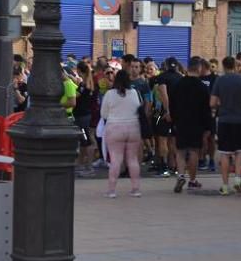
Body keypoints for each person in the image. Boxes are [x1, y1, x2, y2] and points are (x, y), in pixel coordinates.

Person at [210, 56, 241, 195]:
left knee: (225, 153)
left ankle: (225, 185)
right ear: (235, 65)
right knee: (240, 151)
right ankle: (238, 180)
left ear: (223, 66)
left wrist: (222, 103)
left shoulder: (219, 80)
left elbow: (212, 103)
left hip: (224, 120)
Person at [170, 56, 212, 192]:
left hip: (181, 122)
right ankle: (192, 180)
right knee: (194, 151)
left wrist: (174, 120)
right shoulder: (202, 87)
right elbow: (207, 109)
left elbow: (172, 104)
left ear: (188, 67)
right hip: (197, 123)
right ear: (199, 68)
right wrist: (208, 127)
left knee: (180, 151)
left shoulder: (178, 84)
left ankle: (181, 175)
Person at [99, 70, 142, 198]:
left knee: (116, 160)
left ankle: (112, 190)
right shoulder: (134, 92)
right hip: (133, 128)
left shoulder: (109, 94)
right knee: (133, 159)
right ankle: (136, 189)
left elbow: (103, 114)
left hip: (115, 128)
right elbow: (138, 108)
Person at [152, 58, 183, 177]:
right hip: (179, 112)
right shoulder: (181, 77)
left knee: (162, 139)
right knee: (174, 140)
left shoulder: (162, 77)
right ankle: (175, 167)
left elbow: (164, 94)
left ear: (165, 65)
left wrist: (167, 110)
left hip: (164, 112)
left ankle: (163, 167)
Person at [73, 62, 97, 177]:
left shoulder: (83, 86)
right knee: (83, 142)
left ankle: (89, 167)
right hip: (85, 115)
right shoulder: (89, 84)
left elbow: (76, 96)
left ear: (79, 70)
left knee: (86, 141)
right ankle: (81, 165)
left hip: (82, 117)